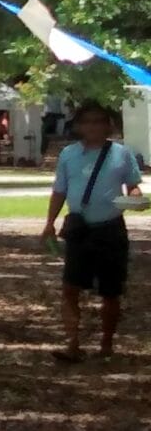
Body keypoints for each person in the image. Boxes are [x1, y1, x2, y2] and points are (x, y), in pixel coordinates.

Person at [43, 102, 144, 363]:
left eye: (99, 121)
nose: (93, 126)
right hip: (79, 229)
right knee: (70, 288)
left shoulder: (122, 154)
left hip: (110, 228)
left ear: (108, 125)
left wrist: (135, 197)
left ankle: (106, 344)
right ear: (78, 126)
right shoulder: (68, 154)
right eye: (87, 121)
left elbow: (133, 185)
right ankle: (72, 343)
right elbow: (60, 191)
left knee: (111, 291)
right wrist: (49, 223)